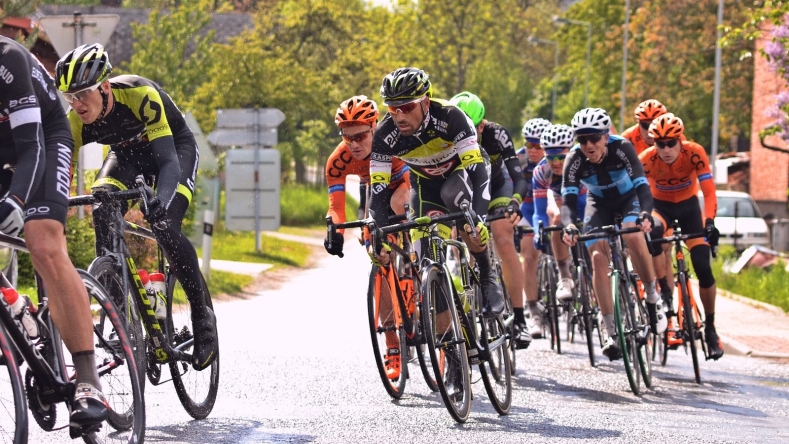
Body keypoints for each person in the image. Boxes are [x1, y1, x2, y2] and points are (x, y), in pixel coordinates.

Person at [55, 43, 218, 371]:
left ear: (104, 86)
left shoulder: (139, 94)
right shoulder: (77, 121)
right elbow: (59, 168)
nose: (77, 103)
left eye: (83, 93)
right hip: (127, 155)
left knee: (164, 225)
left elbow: (169, 161)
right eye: (69, 96)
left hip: (173, 150)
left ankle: (203, 319)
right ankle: (118, 310)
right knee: (101, 197)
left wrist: (163, 199)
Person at [0, 36, 109, 429]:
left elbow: (31, 148)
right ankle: (16, 309)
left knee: (43, 243)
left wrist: (15, 200)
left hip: (43, 140)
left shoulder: (7, 59)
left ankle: (87, 379)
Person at [366, 67, 504, 319]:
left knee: (460, 204)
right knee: (424, 259)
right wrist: (379, 236)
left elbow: (477, 172)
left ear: (426, 102)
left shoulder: (451, 117)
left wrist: (479, 218)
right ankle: (450, 347)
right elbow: (378, 192)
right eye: (392, 108)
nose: (399, 116)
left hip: (463, 172)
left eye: (407, 107)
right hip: (425, 184)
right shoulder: (384, 135)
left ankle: (487, 275)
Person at [560, 108, 667, 361]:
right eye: (582, 139)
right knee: (597, 257)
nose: (588, 145)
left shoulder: (623, 149)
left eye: (594, 138)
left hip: (629, 199)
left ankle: (652, 296)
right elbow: (568, 202)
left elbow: (642, 186)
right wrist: (569, 225)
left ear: (606, 137)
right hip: (599, 205)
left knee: (632, 234)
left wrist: (646, 215)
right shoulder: (574, 159)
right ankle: (610, 332)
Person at [324, 95, 410, 378]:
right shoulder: (338, 161)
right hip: (373, 191)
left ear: (374, 127)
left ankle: (420, 273)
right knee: (379, 257)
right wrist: (335, 231)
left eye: (360, 136)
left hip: (404, 183)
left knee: (401, 206)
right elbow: (336, 208)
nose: (354, 144)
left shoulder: (395, 139)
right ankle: (392, 345)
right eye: (347, 137)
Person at [450, 91, 532, 349]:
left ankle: (519, 319)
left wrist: (516, 201)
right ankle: (469, 308)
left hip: (497, 188)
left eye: (472, 128)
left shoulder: (497, 135)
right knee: (464, 241)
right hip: (467, 189)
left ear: (482, 125)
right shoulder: (447, 134)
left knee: (503, 237)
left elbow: (518, 176)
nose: (466, 133)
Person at [639, 113, 723, 360]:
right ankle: (665, 294)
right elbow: (641, 196)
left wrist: (709, 222)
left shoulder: (694, 152)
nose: (665, 150)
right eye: (659, 144)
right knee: (653, 233)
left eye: (670, 144)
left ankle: (710, 327)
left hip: (689, 209)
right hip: (660, 208)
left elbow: (708, 192)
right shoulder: (646, 160)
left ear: (680, 141)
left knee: (703, 268)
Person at [532, 124, 587, 304]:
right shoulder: (541, 172)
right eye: (550, 157)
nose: (555, 162)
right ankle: (565, 276)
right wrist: (538, 230)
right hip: (561, 200)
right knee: (556, 219)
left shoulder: (585, 162)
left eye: (561, 157)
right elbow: (539, 211)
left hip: (586, 198)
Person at [516, 117, 551, 338]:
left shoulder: (555, 161)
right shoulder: (519, 159)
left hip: (550, 207)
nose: (534, 150)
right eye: (530, 145)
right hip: (527, 210)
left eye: (539, 146)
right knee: (529, 256)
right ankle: (533, 310)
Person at [621, 99, 686, 156]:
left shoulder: (678, 138)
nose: (650, 131)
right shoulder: (626, 139)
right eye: (645, 125)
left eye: (656, 125)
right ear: (638, 122)